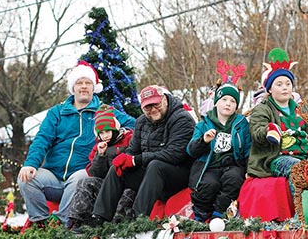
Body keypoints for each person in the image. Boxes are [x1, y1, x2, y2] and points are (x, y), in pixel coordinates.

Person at [17, 61, 105, 225]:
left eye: (88, 83)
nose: (84, 86)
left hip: (80, 177)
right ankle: (40, 223)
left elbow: (134, 125)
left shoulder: (104, 112)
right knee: (25, 178)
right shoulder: (57, 112)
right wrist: (30, 164)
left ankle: (61, 223)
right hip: (53, 177)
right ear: (73, 88)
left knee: (81, 177)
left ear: (94, 88)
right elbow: (42, 139)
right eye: (79, 83)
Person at [92, 84, 195, 221]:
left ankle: (138, 218)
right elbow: (133, 150)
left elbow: (175, 154)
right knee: (117, 169)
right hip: (151, 177)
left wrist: (136, 160)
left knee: (155, 165)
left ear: (164, 99)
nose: (152, 110)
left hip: (178, 176)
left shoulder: (182, 119)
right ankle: (100, 217)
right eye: (147, 107)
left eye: (156, 104)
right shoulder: (141, 122)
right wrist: (125, 160)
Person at [187, 77, 251, 222]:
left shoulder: (241, 124)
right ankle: (201, 215)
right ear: (216, 102)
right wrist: (203, 141)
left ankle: (220, 213)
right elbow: (191, 150)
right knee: (209, 184)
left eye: (233, 101)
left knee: (234, 179)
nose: (228, 104)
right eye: (224, 99)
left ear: (236, 106)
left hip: (232, 165)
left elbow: (248, 148)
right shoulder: (204, 123)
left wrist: (249, 169)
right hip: (209, 166)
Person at [247, 49, 308, 178]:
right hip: (276, 158)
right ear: (270, 89)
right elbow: (256, 131)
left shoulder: (301, 109)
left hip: (304, 155)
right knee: (298, 170)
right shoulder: (263, 109)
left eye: (288, 84)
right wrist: (268, 131)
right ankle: (299, 199)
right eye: (279, 84)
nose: (285, 87)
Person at [66, 106, 133, 229]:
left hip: (126, 182)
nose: (105, 136)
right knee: (85, 182)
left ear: (115, 128)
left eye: (108, 131)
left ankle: (116, 224)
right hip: (106, 184)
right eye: (101, 133)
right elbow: (95, 173)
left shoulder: (129, 138)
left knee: (128, 193)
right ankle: (79, 220)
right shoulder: (97, 148)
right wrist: (100, 155)